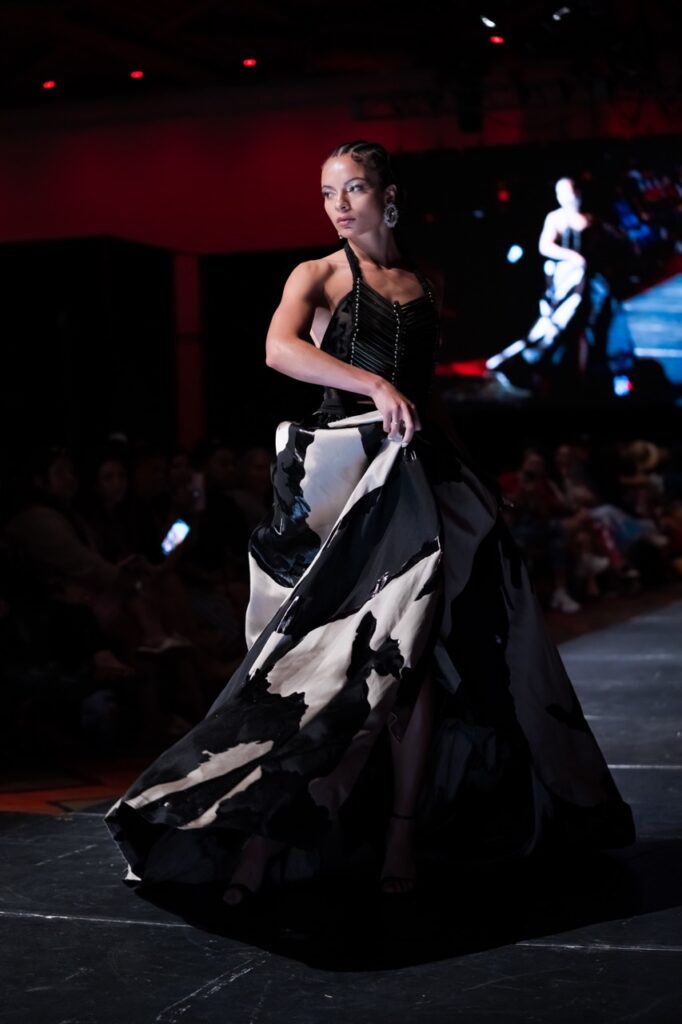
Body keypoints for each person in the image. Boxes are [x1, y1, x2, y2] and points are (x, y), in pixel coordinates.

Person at [105, 142, 635, 909]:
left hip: (411, 487)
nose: (339, 203)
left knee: (409, 664)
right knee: (304, 671)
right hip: (334, 486)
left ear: (390, 197)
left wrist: (479, 479)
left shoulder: (424, 284)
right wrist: (375, 383)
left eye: (354, 188)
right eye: (327, 191)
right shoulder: (317, 275)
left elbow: (426, 403)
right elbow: (278, 350)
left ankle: (399, 836)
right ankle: (259, 840)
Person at [486, 177, 634, 396]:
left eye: (572, 191)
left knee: (588, 329)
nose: (569, 197)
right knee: (555, 325)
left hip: (591, 283)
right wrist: (572, 256)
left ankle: (582, 376)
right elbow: (545, 246)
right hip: (566, 281)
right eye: (563, 193)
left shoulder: (590, 218)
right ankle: (520, 365)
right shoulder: (555, 218)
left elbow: (613, 241)